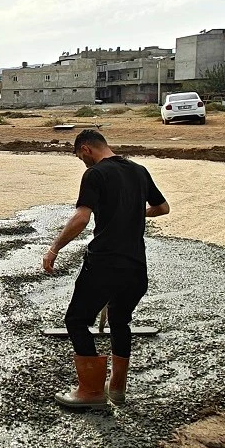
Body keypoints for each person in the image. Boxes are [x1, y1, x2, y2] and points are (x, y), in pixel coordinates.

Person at [42, 129, 170, 410]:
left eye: (80, 157)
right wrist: (134, 212)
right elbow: (162, 208)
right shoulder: (139, 171)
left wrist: (54, 248)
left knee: (76, 321)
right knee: (120, 320)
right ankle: (117, 389)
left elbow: (81, 218)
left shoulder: (95, 174)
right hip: (136, 266)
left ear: (86, 149)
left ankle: (91, 392)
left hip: (104, 263)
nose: (82, 163)